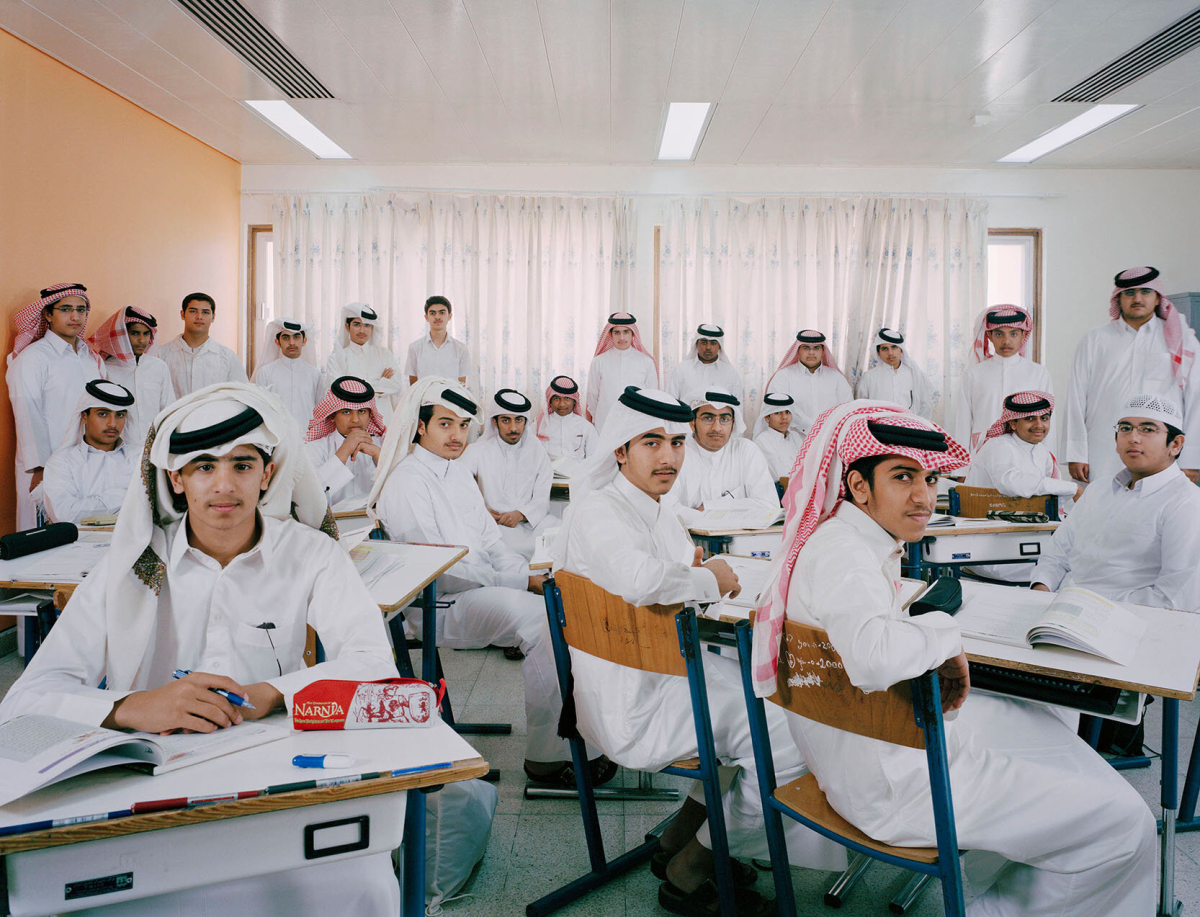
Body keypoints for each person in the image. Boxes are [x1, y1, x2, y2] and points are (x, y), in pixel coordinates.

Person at [0, 383, 400, 916]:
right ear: (175, 478)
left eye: (242, 464)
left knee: (366, 884)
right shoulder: (132, 566)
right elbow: (27, 699)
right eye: (203, 466)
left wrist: (272, 692)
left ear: (269, 473)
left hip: (275, 768)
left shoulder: (312, 554)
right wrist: (132, 706)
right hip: (149, 778)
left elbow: (374, 661)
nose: (224, 485)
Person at [749, 400, 1156, 917]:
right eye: (903, 477)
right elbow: (873, 657)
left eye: (931, 479)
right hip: (896, 783)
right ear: (857, 487)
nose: (924, 498)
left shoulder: (848, 540)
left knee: (1046, 720)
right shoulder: (842, 555)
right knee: (1126, 822)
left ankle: (1004, 878)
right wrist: (943, 631)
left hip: (874, 754)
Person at [555, 385, 845, 917]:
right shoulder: (601, 511)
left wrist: (700, 574)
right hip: (632, 699)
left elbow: (675, 572)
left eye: (676, 442)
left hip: (656, 673)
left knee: (773, 690)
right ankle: (696, 865)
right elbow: (645, 580)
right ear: (620, 450)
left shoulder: (647, 505)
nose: (669, 457)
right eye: (651, 442)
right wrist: (707, 576)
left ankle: (679, 842)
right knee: (791, 731)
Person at [368, 378, 606, 787]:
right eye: (445, 424)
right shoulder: (408, 481)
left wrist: (521, 572)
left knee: (560, 609)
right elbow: (440, 569)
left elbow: (491, 539)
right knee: (542, 622)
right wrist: (519, 581)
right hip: (434, 604)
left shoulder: (456, 473)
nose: (456, 434)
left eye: (463, 425)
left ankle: (581, 736)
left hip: (478, 590)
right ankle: (545, 760)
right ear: (420, 426)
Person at [1033, 393, 1200, 613]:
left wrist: (1086, 607)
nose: (1133, 438)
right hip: (1056, 611)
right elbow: (1056, 555)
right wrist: (1040, 592)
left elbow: (1175, 599)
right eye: (1125, 428)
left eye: (1148, 429)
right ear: (1115, 440)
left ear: (1176, 444)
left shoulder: (1185, 503)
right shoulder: (1098, 490)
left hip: (1123, 626)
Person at [1064, 267, 1200, 486]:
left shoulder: (1182, 338)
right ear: (1118, 298)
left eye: (1145, 291)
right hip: (1104, 449)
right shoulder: (1095, 339)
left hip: (1160, 449)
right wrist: (1075, 452)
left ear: (1157, 298)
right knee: (1102, 508)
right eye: (1129, 292)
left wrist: (1192, 460)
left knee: (1155, 511)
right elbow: (1076, 398)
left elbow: (1196, 400)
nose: (1137, 298)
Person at [6, 282, 105, 530]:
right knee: (41, 539)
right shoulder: (33, 358)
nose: (75, 316)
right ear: (48, 315)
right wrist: (39, 469)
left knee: (84, 535)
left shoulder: (92, 359)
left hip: (88, 464)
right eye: (66, 309)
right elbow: (27, 417)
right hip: (45, 466)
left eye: (81, 310)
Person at [964, 391, 1081, 583]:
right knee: (1071, 570)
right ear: (1012, 423)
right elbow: (1011, 482)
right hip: (990, 548)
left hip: (1024, 539)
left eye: (1044, 418)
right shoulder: (999, 446)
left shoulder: (1042, 453)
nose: (1039, 425)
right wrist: (1072, 489)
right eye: (1029, 419)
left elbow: (1055, 499)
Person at [460, 388, 554, 560]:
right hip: (495, 526)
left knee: (562, 534)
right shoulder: (478, 451)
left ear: (525, 422)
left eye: (519, 420)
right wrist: (481, 511)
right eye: (505, 420)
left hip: (531, 525)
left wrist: (520, 514)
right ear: (495, 422)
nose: (513, 428)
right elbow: (456, 486)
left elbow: (542, 498)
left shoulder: (537, 452)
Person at [668, 388, 779, 528]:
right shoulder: (676, 453)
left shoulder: (746, 450)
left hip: (739, 545)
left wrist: (710, 507)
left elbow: (769, 506)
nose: (717, 428)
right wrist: (716, 517)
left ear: (733, 425)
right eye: (708, 418)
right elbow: (667, 508)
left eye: (724, 419)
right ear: (692, 423)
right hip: (688, 543)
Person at [953, 305, 1052, 457]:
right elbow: (963, 423)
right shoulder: (973, 374)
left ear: (1023, 335)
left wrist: (1047, 462)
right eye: (999, 334)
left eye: (1013, 334)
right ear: (990, 336)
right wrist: (962, 468)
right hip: (982, 455)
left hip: (1026, 456)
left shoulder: (1038, 373)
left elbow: (1046, 422)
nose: (1006, 341)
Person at [41, 380, 137, 525]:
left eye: (120, 415)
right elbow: (64, 515)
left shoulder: (139, 458)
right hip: (79, 545)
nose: (112, 423)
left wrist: (87, 506)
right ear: (84, 417)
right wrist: (127, 495)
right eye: (103, 414)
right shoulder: (62, 462)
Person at [89, 305, 176, 453]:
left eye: (146, 334)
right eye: (135, 333)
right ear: (123, 335)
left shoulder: (159, 367)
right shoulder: (106, 367)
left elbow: (168, 409)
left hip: (154, 448)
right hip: (118, 450)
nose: (142, 340)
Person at [305, 376, 386, 510]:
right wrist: (345, 450)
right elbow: (310, 496)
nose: (355, 420)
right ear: (332, 416)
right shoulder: (316, 448)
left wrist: (379, 455)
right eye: (346, 412)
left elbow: (401, 490)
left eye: (362, 411)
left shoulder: (383, 444)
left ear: (370, 415)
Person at [324, 303, 403, 425]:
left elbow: (396, 385)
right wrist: (381, 385)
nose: (362, 330)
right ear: (347, 326)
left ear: (372, 328)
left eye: (367, 325)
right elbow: (338, 393)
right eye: (357, 324)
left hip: (384, 421)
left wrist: (355, 389)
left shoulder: (384, 354)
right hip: (352, 424)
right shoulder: (336, 359)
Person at [158, 293, 248, 397]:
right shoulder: (161, 354)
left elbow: (242, 395)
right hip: (174, 413)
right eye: (193, 311)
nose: (199, 317)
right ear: (182, 314)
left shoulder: (227, 357)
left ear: (213, 317)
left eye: (205, 312)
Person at [764, 330, 852, 437]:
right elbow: (777, 410)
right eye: (806, 348)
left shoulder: (836, 377)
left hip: (830, 440)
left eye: (816, 348)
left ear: (823, 351)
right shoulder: (783, 376)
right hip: (793, 442)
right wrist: (812, 429)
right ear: (798, 350)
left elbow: (847, 409)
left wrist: (826, 432)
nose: (811, 352)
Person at [585, 312, 658, 431]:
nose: (622, 337)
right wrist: (601, 416)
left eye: (626, 332)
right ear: (610, 334)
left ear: (633, 334)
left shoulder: (646, 362)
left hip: (637, 422)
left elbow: (652, 395)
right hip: (605, 423)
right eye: (617, 332)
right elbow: (592, 398)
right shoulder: (599, 361)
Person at [252, 317, 322, 430]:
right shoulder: (265, 373)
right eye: (286, 338)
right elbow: (261, 410)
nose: (291, 342)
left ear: (304, 341)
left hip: (308, 440)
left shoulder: (315, 375)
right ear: (277, 342)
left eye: (296, 337)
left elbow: (320, 412)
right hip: (276, 438)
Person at [855, 327, 933, 418]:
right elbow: (861, 408)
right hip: (879, 428)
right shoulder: (869, 377)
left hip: (910, 427)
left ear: (901, 350)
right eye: (885, 349)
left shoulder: (915, 375)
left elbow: (925, 407)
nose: (890, 353)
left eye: (894, 347)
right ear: (878, 353)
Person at [533, 374, 597, 473]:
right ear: (550, 401)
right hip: (546, 478)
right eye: (557, 399)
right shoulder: (539, 425)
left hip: (577, 479)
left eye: (567, 399)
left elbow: (593, 458)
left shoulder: (586, 427)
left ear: (574, 401)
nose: (562, 404)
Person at [666, 323, 744, 403]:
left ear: (720, 346)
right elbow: (670, 401)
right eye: (704, 342)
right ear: (696, 344)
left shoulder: (731, 373)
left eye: (713, 343)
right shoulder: (681, 370)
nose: (708, 347)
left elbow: (737, 408)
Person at [404, 295, 470, 386]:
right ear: (426, 317)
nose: (437, 317)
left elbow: (461, 384)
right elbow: (414, 385)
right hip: (423, 399)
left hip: (451, 399)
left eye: (442, 313)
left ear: (450, 316)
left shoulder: (461, 349)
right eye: (432, 313)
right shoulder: (415, 347)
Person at [751, 392, 803, 482]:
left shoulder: (795, 437)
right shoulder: (762, 441)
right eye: (778, 413)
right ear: (767, 417)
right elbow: (781, 476)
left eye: (787, 412)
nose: (784, 417)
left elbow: (808, 468)